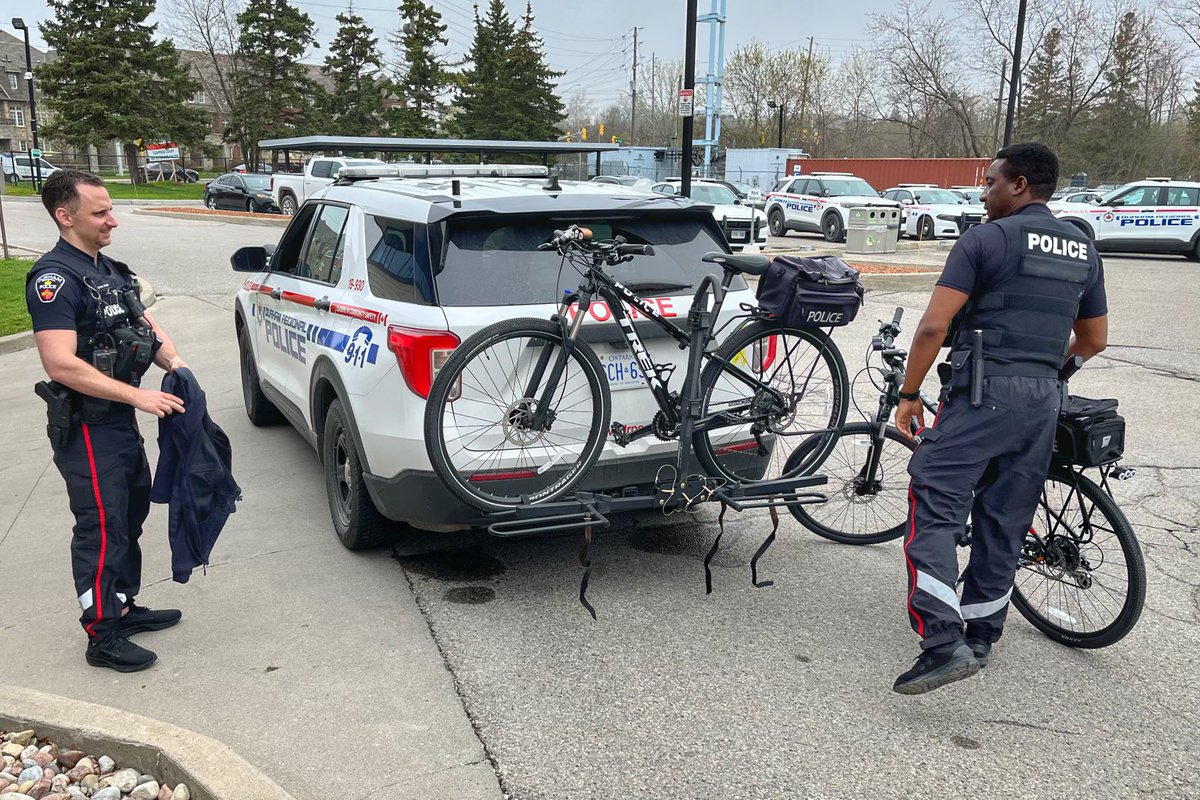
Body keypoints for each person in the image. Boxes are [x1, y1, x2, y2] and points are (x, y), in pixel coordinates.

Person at [891, 143, 1108, 694]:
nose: (984, 192)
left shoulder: (985, 239)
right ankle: (982, 632)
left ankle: (942, 641)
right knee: (1006, 517)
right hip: (1042, 399)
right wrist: (1048, 376)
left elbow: (934, 328)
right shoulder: (1083, 249)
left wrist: (910, 392)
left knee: (934, 496)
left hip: (984, 392)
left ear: (1018, 186)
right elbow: (1093, 340)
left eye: (990, 182)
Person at [25, 169, 190, 672]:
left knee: (131, 515)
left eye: (110, 210)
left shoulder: (110, 270)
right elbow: (60, 363)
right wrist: (139, 397)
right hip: (88, 427)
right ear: (64, 215)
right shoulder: (54, 279)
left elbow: (144, 321)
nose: (112, 220)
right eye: (100, 213)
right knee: (102, 526)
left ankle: (122, 603)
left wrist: (175, 363)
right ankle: (101, 635)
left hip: (118, 423)